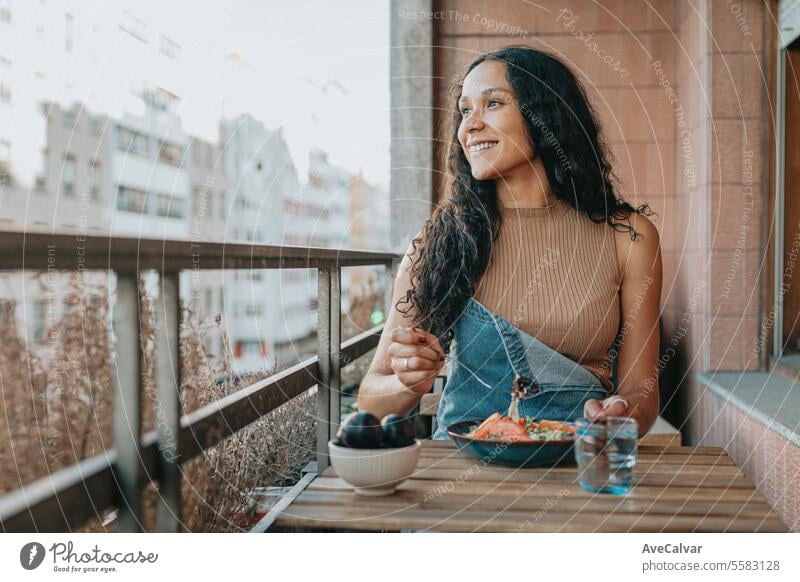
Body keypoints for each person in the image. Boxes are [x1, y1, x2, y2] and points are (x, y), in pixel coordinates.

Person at [358, 46, 661, 438]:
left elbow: (642, 391)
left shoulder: (629, 237)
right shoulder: (444, 236)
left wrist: (623, 412)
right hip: (464, 471)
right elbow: (370, 397)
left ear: (544, 115)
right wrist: (406, 383)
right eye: (465, 111)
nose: (469, 126)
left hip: (576, 460)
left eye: (493, 103)